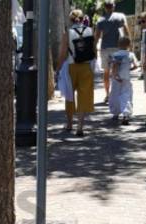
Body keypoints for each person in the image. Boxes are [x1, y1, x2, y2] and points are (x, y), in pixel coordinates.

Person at [57, 9, 96, 137]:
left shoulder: (67, 33)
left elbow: (63, 53)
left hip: (71, 66)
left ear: (70, 20)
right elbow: (93, 50)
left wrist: (58, 68)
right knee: (83, 96)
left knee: (70, 95)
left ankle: (69, 124)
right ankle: (80, 126)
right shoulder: (90, 30)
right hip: (86, 66)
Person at [95, 0, 130, 103]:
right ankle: (118, 93)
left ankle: (107, 95)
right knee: (118, 71)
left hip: (105, 48)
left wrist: (93, 48)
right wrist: (129, 45)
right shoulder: (121, 16)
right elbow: (126, 31)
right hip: (118, 48)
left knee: (106, 72)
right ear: (113, 6)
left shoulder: (100, 20)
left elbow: (97, 36)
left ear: (105, 8)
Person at [108, 36, 139, 125]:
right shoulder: (131, 54)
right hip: (126, 78)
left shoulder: (115, 54)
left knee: (115, 95)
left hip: (116, 79)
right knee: (126, 95)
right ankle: (126, 115)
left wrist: (115, 76)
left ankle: (115, 113)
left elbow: (113, 67)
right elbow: (136, 66)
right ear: (129, 45)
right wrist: (129, 70)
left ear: (118, 44)